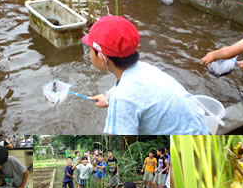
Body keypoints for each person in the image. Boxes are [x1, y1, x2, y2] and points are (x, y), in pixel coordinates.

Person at [82, 15, 210, 135]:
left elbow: (122, 141)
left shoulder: (122, 97)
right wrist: (108, 98)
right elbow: (132, 92)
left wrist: (114, 101)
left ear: (102, 58)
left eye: (90, 50)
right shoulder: (146, 69)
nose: (89, 55)